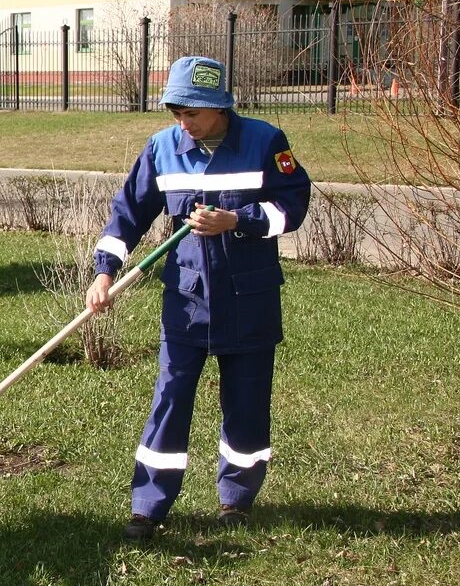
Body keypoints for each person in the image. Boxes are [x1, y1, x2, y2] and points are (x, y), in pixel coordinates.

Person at [86, 55, 311, 542]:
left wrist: (240, 221)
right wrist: (105, 272)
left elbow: (293, 206)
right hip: (186, 302)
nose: (183, 123)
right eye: (176, 112)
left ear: (220, 108)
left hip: (249, 300)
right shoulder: (162, 149)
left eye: (192, 113)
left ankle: (236, 499)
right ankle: (148, 506)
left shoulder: (264, 142)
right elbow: (128, 214)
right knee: (169, 400)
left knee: (247, 406)